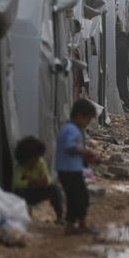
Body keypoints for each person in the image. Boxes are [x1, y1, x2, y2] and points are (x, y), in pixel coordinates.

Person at [55, 98, 100, 235]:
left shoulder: (67, 128)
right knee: (79, 198)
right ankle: (77, 225)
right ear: (80, 116)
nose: (87, 124)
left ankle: (75, 224)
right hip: (69, 171)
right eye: (88, 120)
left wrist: (85, 157)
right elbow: (70, 147)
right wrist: (86, 152)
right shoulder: (72, 130)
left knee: (76, 197)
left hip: (68, 169)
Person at [13, 136, 64, 225]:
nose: (35, 161)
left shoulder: (40, 163)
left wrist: (44, 182)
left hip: (37, 191)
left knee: (54, 189)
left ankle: (60, 216)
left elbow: (47, 178)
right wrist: (30, 182)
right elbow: (16, 183)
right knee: (17, 192)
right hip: (25, 193)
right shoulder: (20, 167)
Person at [115, 20, 129, 111]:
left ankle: (125, 102)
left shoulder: (119, 42)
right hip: (124, 68)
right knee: (123, 85)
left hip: (119, 68)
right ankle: (126, 102)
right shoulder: (124, 41)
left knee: (121, 85)